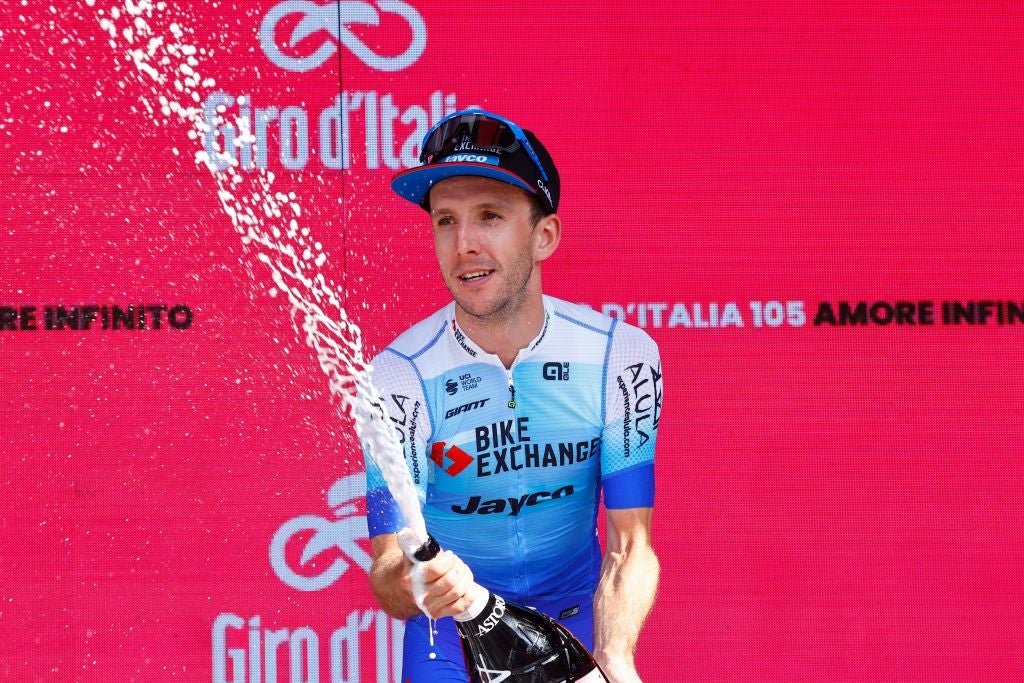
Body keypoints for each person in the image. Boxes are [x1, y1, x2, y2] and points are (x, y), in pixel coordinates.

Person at [362, 109, 662, 683]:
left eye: (489, 216)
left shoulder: (619, 357)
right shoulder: (396, 377)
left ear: (543, 235)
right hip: (448, 641)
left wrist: (615, 654)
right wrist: (414, 581)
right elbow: (388, 564)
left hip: (576, 633)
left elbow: (629, 543)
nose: (464, 243)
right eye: (445, 221)